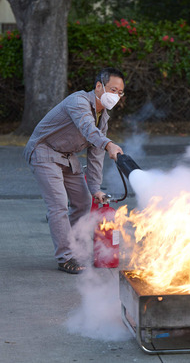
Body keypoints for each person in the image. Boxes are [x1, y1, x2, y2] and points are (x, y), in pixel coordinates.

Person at [23, 67, 125, 274]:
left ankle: (75, 247)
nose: (116, 96)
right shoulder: (78, 102)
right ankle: (65, 257)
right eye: (113, 90)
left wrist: (95, 187)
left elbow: (96, 154)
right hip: (44, 151)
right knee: (58, 204)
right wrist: (109, 144)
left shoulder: (102, 116)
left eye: (120, 92)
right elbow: (88, 129)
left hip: (67, 157)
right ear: (99, 86)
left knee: (84, 201)